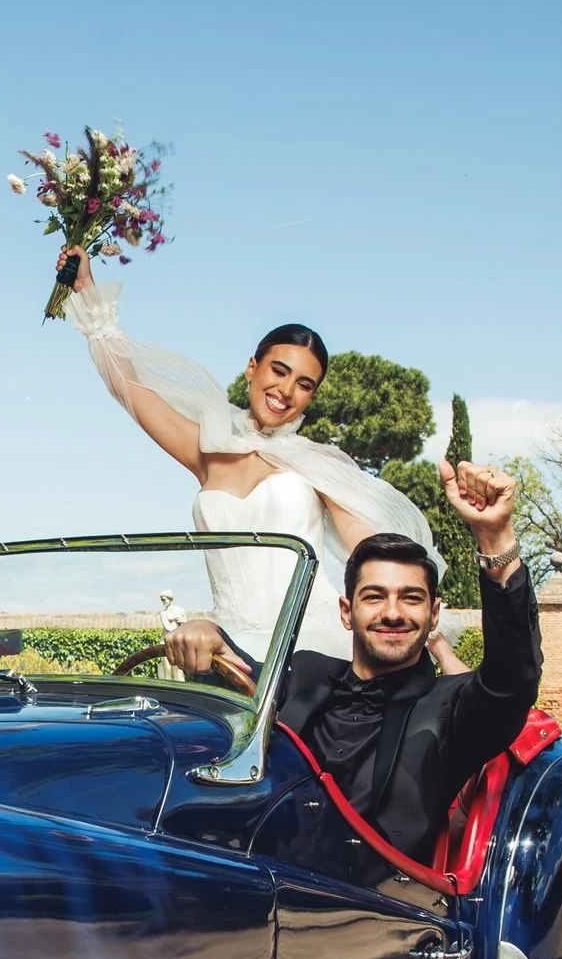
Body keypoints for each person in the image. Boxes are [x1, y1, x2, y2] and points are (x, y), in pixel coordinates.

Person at [58, 244, 442, 661]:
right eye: (279, 371)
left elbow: (374, 552)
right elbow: (129, 390)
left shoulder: (318, 463)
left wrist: (434, 643)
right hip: (228, 648)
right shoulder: (208, 451)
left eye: (304, 385)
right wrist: (87, 290)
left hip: (313, 646)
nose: (286, 391)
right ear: (252, 368)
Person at [166, 461, 540, 864]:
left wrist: (495, 537)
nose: (392, 613)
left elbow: (512, 676)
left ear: (434, 615)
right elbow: (234, 671)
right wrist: (207, 631)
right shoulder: (304, 673)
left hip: (375, 895)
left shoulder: (453, 706)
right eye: (374, 597)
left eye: (411, 598)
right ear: (347, 612)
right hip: (254, 868)